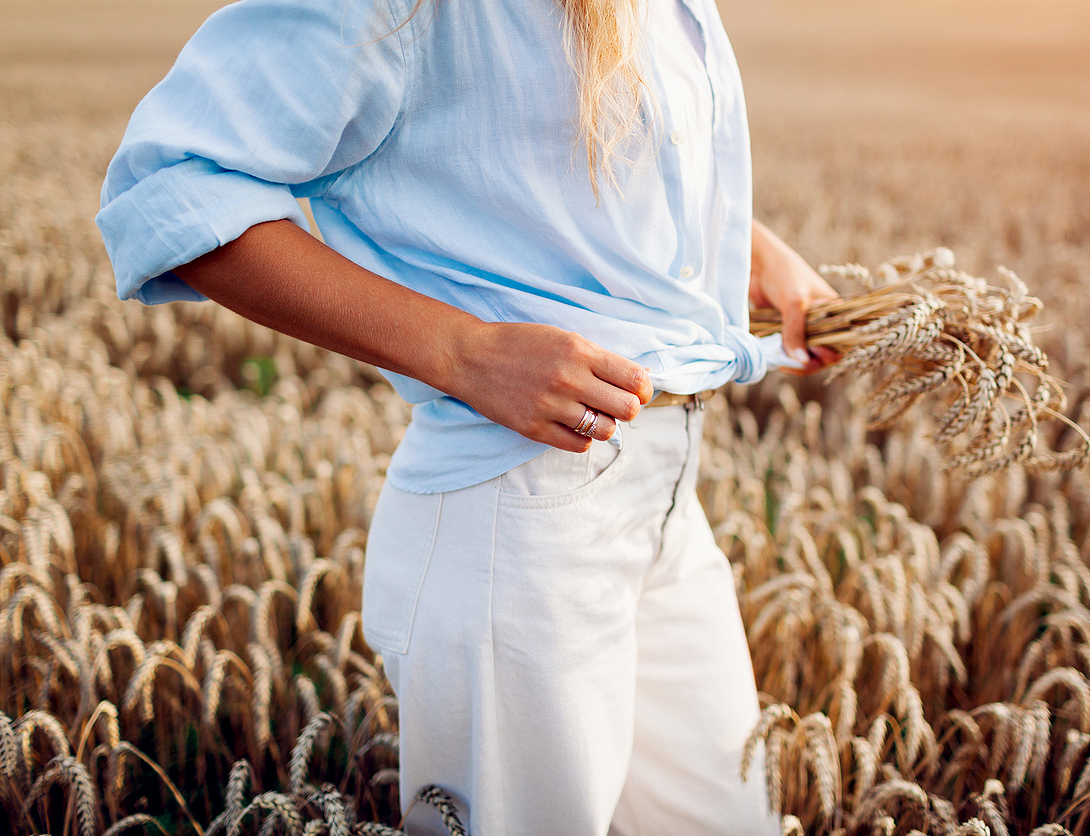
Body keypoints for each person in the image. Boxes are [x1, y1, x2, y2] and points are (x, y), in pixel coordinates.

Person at [97, 0, 838, 831]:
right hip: (517, 510)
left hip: (668, 495)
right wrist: (464, 352)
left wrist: (750, 255)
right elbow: (173, 181)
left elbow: (567, 157)